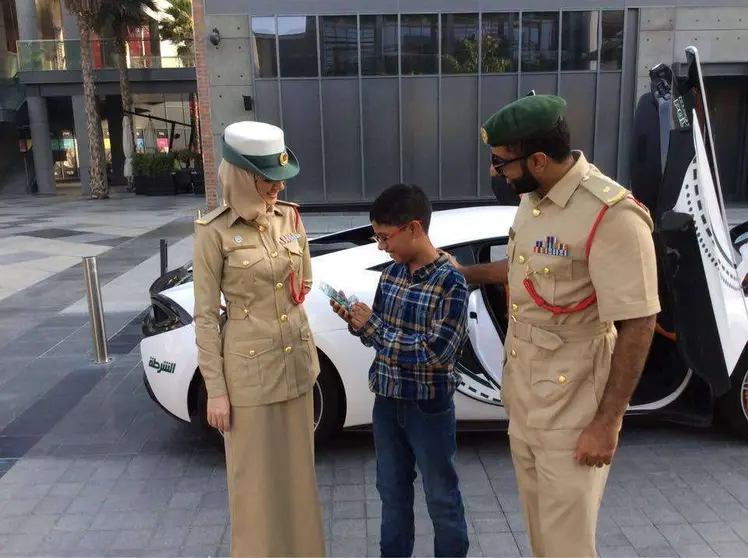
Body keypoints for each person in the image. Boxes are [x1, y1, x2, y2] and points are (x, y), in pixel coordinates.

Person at [453, 95, 660, 557]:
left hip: (574, 407)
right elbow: (528, 268)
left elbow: (640, 322)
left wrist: (607, 423)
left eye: (501, 163)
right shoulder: (536, 198)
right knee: (541, 534)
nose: (497, 174)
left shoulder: (613, 216)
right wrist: (464, 273)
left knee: (567, 542)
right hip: (527, 396)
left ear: (539, 160)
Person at [192, 120, 325, 557]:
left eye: (278, 183)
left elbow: (303, 279)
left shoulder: (289, 216)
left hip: (296, 368)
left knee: (299, 479)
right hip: (247, 377)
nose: (274, 192)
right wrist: (216, 392)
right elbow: (206, 317)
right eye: (267, 183)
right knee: (253, 486)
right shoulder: (212, 233)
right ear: (242, 177)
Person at [330, 184, 470, 558]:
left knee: (441, 496)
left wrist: (374, 327)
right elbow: (380, 340)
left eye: (384, 237)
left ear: (414, 228)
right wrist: (357, 322)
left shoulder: (451, 282)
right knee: (392, 495)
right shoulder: (391, 274)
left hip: (428, 407)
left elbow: (435, 354)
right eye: (377, 237)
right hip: (387, 403)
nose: (381, 246)